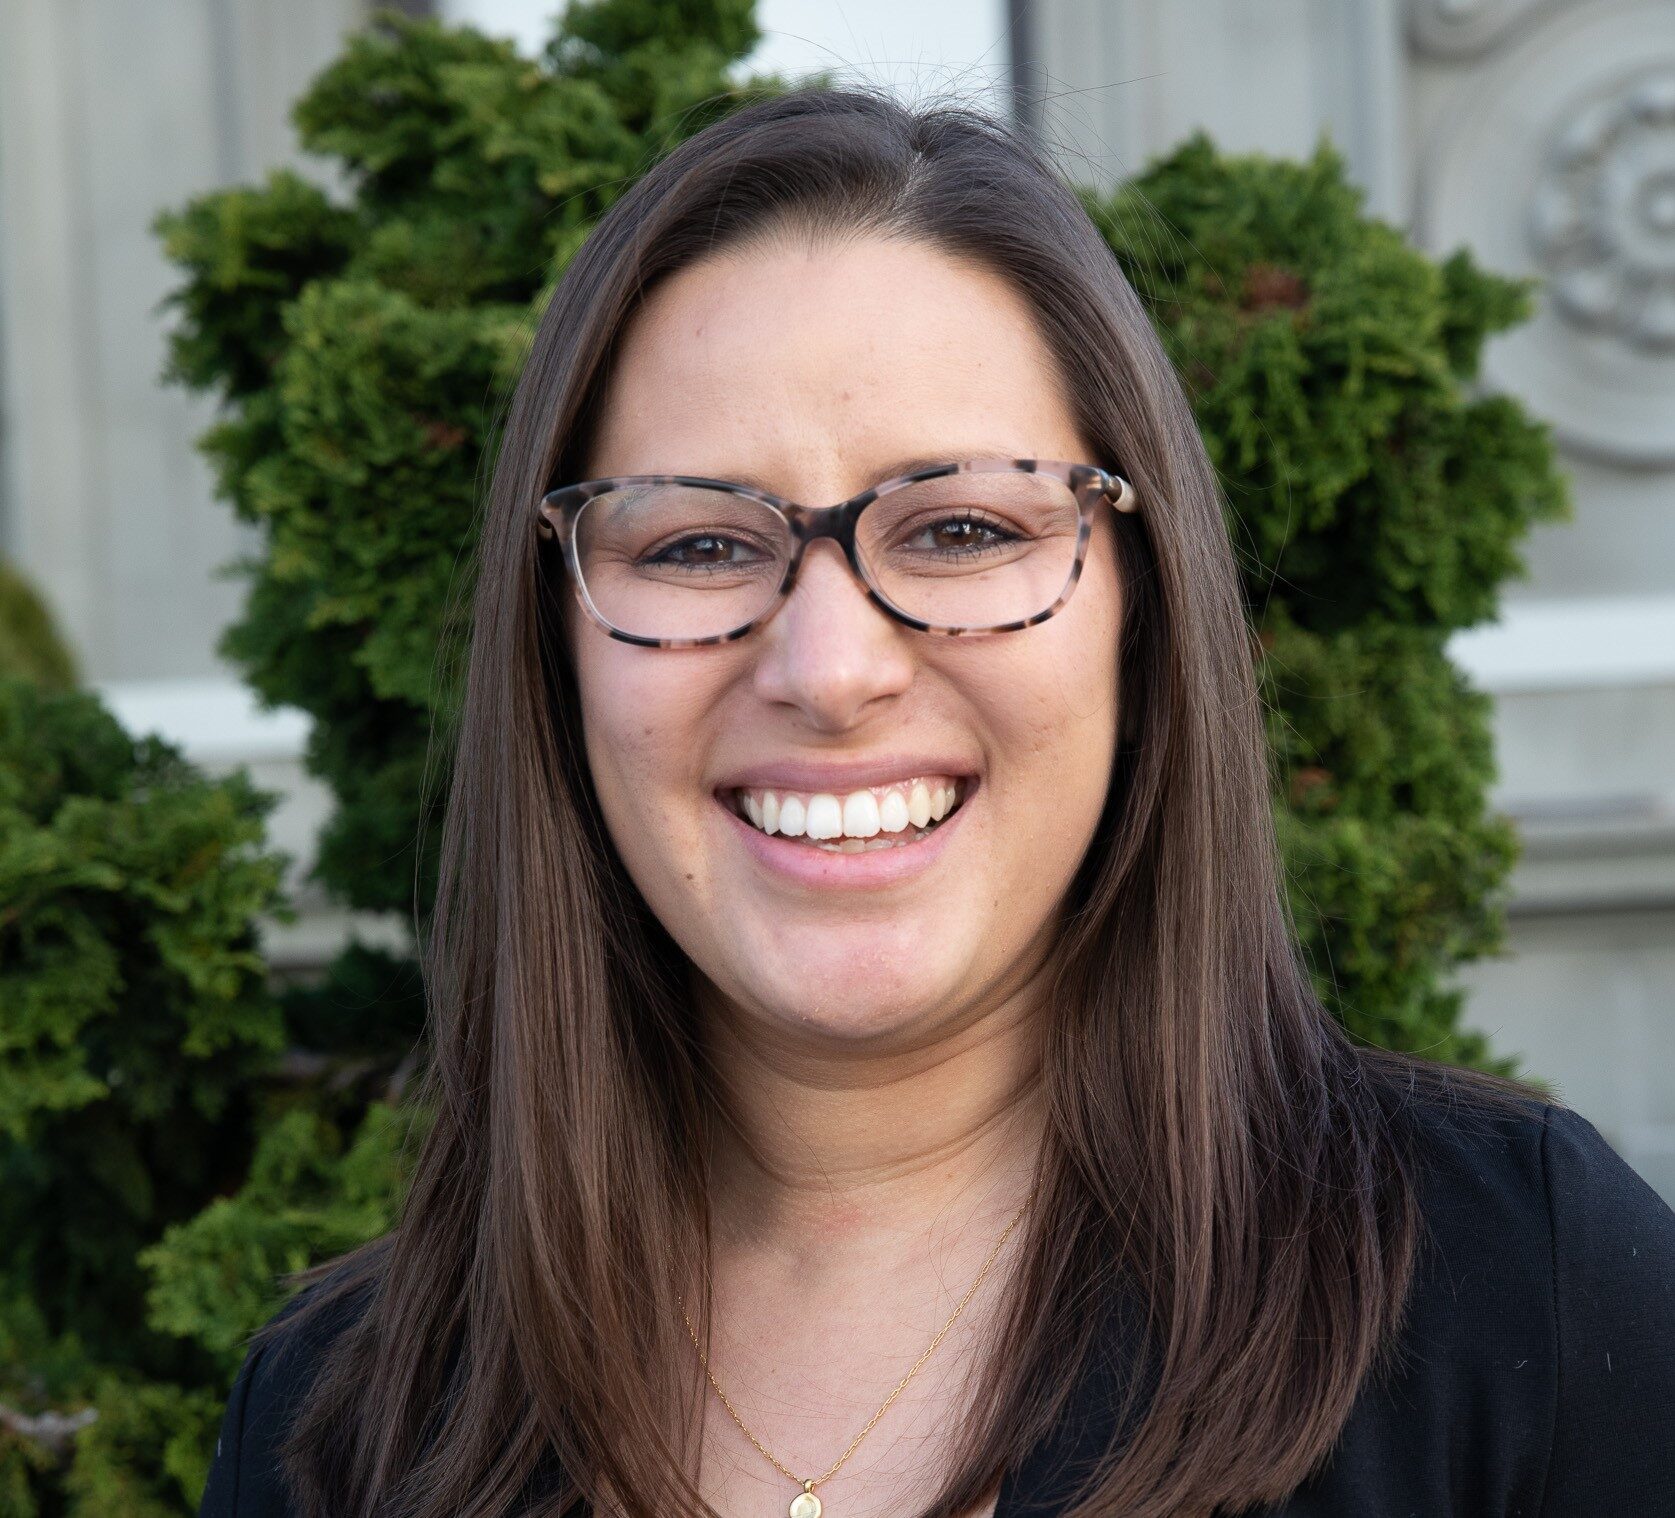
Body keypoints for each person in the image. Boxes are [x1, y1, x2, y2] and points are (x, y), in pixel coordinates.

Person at [197, 84, 1675, 1518]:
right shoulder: (341, 1419)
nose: (830, 669)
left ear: (1139, 611)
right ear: (558, 639)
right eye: (701, 545)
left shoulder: (1520, 1299)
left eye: (963, 526)